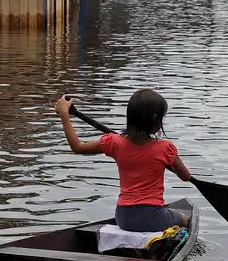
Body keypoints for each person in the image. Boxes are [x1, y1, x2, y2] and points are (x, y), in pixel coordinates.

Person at [55, 90, 193, 232]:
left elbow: (77, 147)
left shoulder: (114, 143)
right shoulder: (165, 148)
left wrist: (64, 114)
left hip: (123, 217)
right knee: (184, 218)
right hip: (153, 217)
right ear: (156, 119)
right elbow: (186, 177)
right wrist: (170, 160)